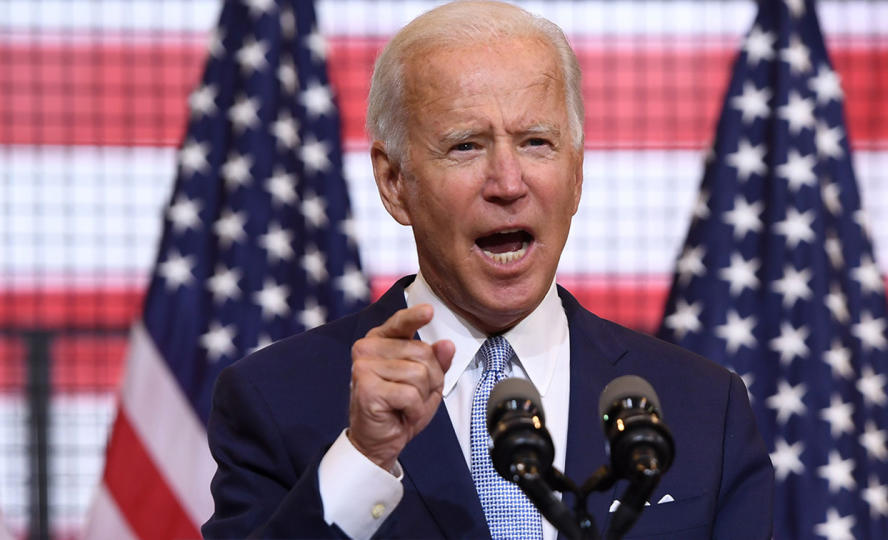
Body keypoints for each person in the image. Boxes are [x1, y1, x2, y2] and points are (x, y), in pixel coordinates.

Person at [202, 1, 774, 538]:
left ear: (576, 174)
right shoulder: (276, 399)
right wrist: (365, 458)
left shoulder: (702, 406)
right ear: (394, 183)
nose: (507, 183)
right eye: (466, 146)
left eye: (536, 142)